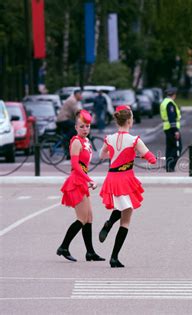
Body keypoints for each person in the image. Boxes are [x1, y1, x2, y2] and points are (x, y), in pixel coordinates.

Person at [98, 105, 157, 268]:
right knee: (126, 219)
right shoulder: (134, 140)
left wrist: (116, 155)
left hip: (112, 177)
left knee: (121, 205)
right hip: (126, 178)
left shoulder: (108, 138)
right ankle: (114, 257)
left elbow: (102, 155)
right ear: (130, 121)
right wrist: (144, 157)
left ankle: (109, 224)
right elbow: (151, 158)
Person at [56, 110, 104, 262]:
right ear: (76, 127)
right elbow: (75, 165)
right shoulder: (76, 141)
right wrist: (89, 179)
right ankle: (63, 247)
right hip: (77, 181)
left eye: (87, 126)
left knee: (89, 218)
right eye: (82, 126)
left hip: (82, 180)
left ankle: (90, 252)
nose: (85, 129)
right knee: (82, 219)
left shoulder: (86, 141)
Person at [159, 87, 181, 172]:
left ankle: (168, 166)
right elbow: (172, 117)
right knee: (177, 147)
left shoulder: (164, 102)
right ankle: (170, 166)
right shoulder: (170, 104)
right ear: (174, 95)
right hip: (171, 128)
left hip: (167, 127)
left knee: (170, 147)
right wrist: (175, 130)